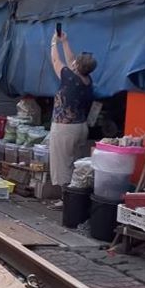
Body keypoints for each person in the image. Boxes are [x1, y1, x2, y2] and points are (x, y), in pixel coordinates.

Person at [49, 31, 96, 196]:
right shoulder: (86, 80)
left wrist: (54, 42)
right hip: (80, 127)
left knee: (62, 164)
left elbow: (56, 60)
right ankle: (75, 195)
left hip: (65, 129)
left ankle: (66, 198)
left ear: (76, 66)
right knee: (76, 162)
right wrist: (65, 41)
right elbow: (70, 61)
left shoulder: (69, 77)